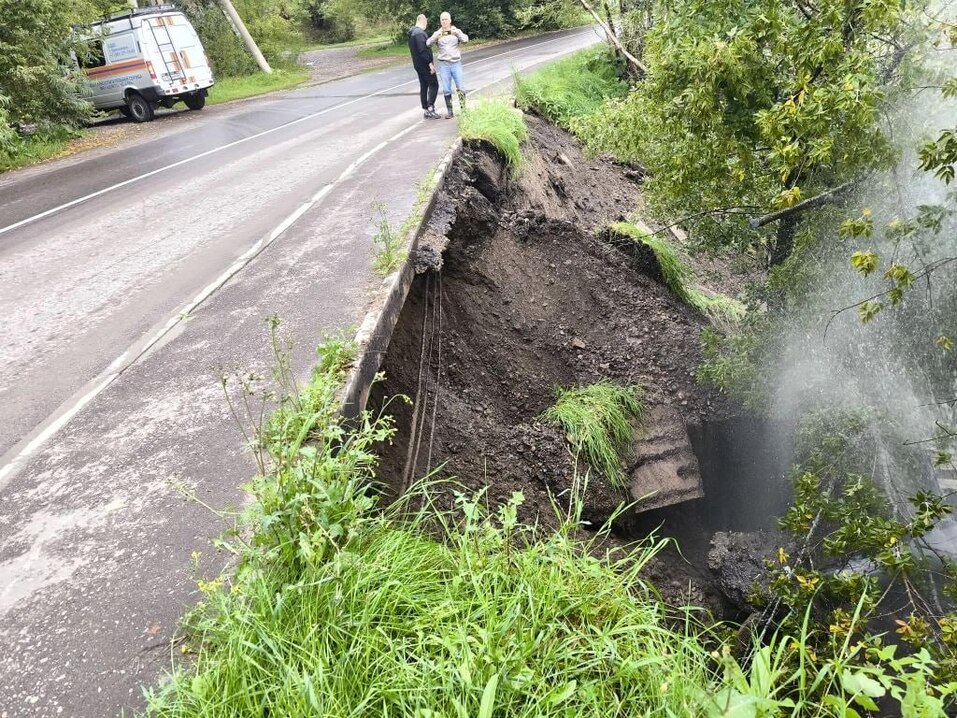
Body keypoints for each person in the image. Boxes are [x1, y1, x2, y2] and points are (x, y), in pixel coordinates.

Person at [427, 11, 468, 119]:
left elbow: (465, 39)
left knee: (460, 87)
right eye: (442, 19)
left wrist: (457, 33)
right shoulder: (438, 33)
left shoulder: (455, 31)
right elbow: (428, 43)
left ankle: (464, 110)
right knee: (446, 89)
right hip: (444, 64)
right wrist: (436, 35)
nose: (444, 21)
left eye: (446, 19)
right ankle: (450, 111)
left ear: (450, 20)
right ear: (440, 21)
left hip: (455, 63)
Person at [408, 14, 440, 119]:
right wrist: (430, 64)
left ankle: (425, 109)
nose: (426, 24)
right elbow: (422, 50)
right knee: (434, 84)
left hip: (417, 64)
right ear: (423, 21)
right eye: (426, 22)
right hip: (424, 64)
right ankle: (430, 108)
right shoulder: (419, 34)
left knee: (424, 86)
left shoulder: (412, 33)